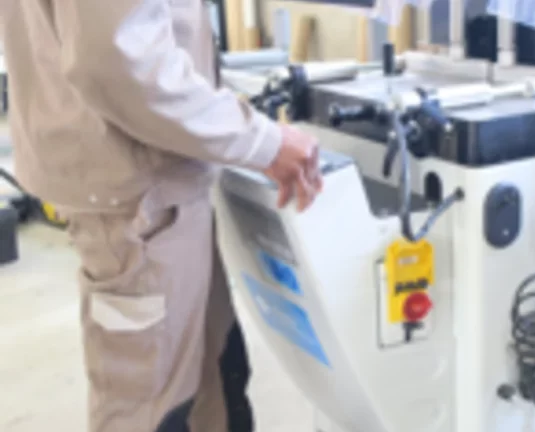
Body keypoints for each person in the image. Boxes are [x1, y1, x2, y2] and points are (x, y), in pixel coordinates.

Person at [1, 1, 323, 431]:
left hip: (149, 179)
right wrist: (263, 142)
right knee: (149, 407)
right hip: (136, 191)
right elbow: (118, 61)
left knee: (212, 378)